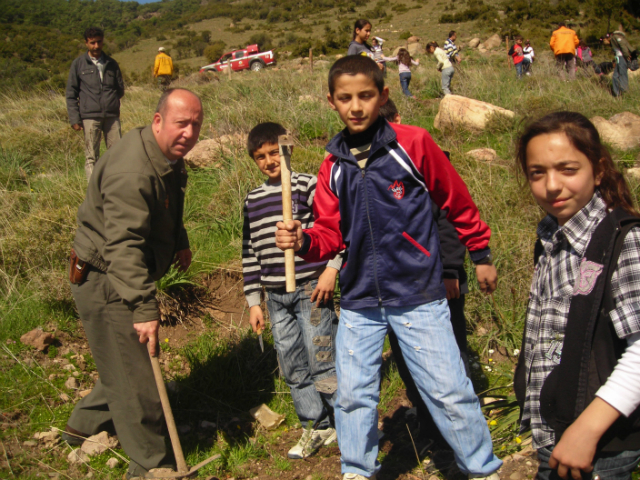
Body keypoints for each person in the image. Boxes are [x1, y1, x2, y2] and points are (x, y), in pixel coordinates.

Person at [275, 55, 502, 480]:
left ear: (383, 96)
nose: (356, 106)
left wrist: (480, 252)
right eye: (345, 98)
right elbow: (329, 233)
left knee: (449, 390)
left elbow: (455, 199)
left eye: (365, 96)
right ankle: (357, 471)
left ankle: (482, 469)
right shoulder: (332, 165)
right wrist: (304, 240)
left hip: (417, 293)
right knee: (354, 396)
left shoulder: (413, 144)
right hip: (359, 301)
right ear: (332, 101)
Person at [62, 88, 202, 480]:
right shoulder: (132, 170)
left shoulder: (163, 153)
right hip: (107, 278)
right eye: (181, 123)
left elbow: (162, 204)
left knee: (124, 362)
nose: (189, 133)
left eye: (195, 124)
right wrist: (144, 309)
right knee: (138, 383)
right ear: (158, 120)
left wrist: (179, 240)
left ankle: (82, 426)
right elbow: (123, 245)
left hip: (119, 271)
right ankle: (150, 465)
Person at [515, 111, 640, 480]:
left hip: (598, 444)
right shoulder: (552, 238)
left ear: (598, 171)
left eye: (567, 169)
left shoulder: (622, 240)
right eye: (537, 173)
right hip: (555, 432)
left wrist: (587, 429)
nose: (552, 185)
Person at [379, 98, 473, 471]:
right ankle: (432, 429)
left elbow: (453, 217)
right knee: (407, 360)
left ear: (399, 120)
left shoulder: (430, 162)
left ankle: (460, 444)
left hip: (437, 280)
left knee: (451, 361)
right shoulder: (369, 169)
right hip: (395, 288)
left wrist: (452, 269)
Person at [242, 122, 341, 459]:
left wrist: (332, 269)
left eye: (274, 153)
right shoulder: (253, 200)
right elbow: (250, 252)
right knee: (292, 364)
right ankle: (315, 425)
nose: (270, 161)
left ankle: (344, 420)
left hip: (311, 288)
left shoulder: (307, 186)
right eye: (261, 156)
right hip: (275, 296)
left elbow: (335, 231)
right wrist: (254, 301)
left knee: (322, 360)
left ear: (288, 150)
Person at [66, 27, 125, 181]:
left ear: (103, 40)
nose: (96, 46)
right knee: (91, 157)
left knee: (117, 155)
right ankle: (94, 195)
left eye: (99, 42)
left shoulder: (112, 63)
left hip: (112, 117)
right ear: (86, 43)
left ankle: (115, 188)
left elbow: (120, 89)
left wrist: (111, 101)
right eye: (92, 43)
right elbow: (71, 93)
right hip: (90, 117)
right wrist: (75, 119)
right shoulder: (78, 64)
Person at [603, 31, 633, 97]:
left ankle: (624, 91)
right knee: (615, 76)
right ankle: (617, 93)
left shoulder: (614, 37)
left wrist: (626, 56)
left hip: (621, 58)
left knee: (622, 74)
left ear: (608, 37)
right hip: (620, 58)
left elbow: (623, 47)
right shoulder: (617, 39)